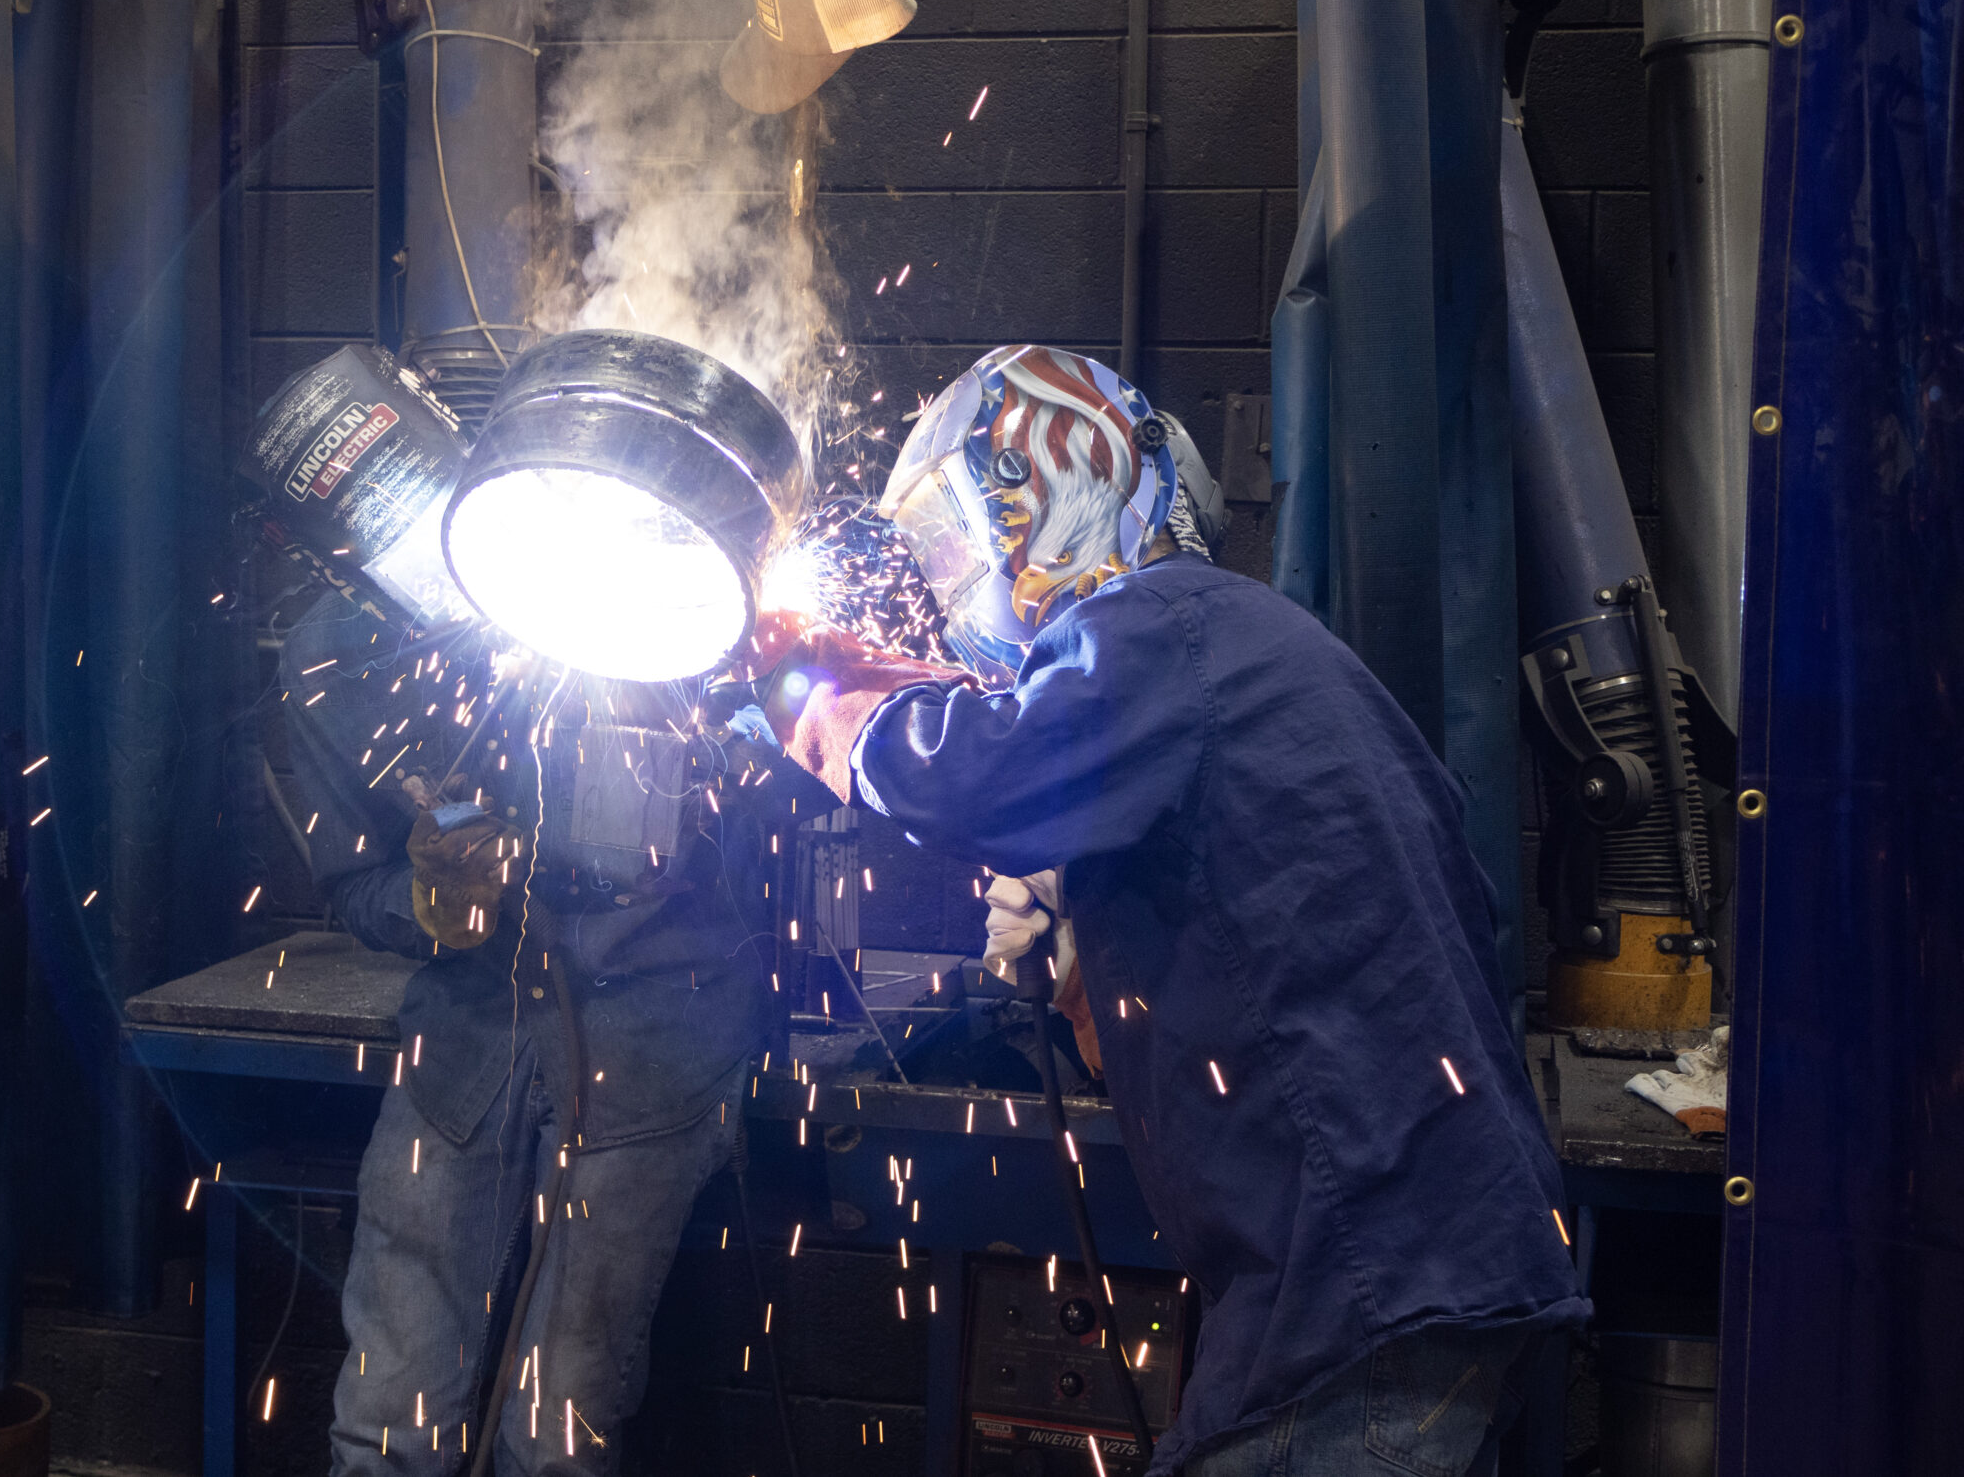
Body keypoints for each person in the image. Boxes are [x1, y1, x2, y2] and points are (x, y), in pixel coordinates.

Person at [754, 344, 1587, 1477]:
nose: (952, 585)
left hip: (1364, 1277)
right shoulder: (1250, 648)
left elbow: (977, 777)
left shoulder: (1163, 622)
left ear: (1058, 479)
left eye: (953, 542)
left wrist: (807, 692)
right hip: (1430, 1268)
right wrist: (1087, 955)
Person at [279, 589, 768, 1477]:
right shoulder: (340, 644)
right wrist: (428, 903)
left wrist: (734, 756)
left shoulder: (687, 588)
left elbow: (799, 757)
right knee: (388, 1424)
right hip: (468, 1038)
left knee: (555, 1439)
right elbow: (353, 879)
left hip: (657, 1044)